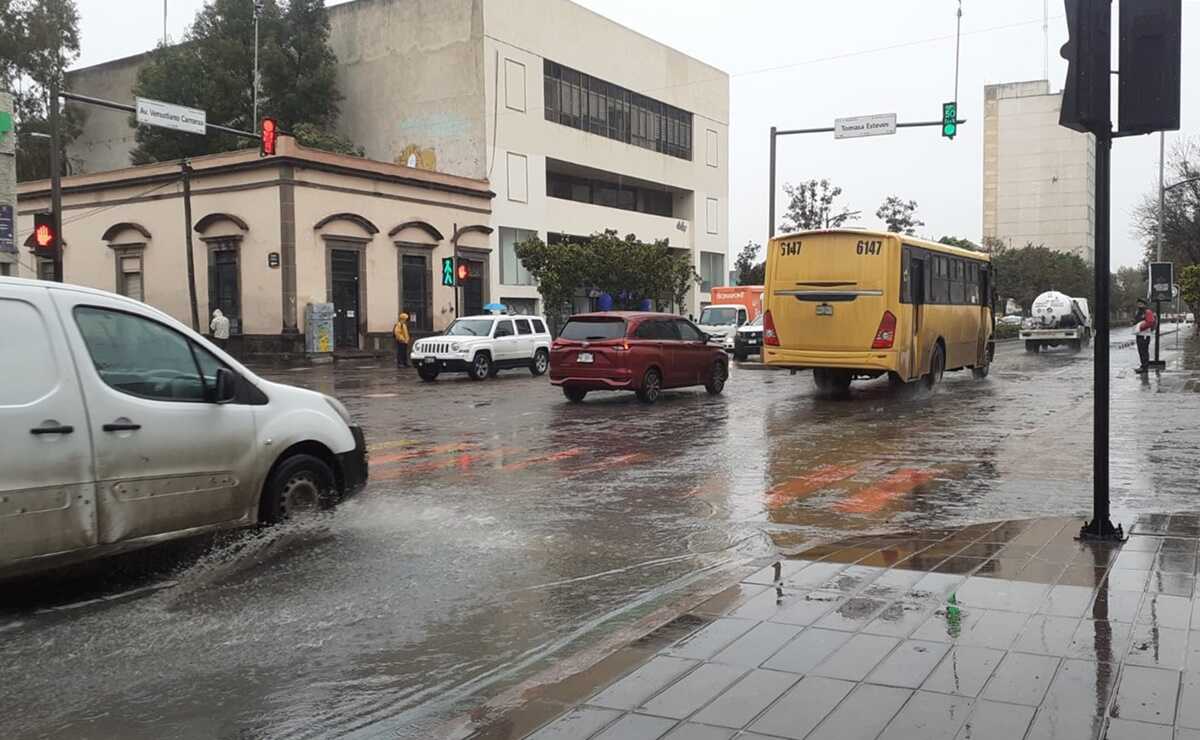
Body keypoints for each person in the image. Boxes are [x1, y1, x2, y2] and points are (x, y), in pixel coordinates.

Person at [1133, 298, 1156, 373]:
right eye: (1138, 304)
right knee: (1141, 351)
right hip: (1139, 334)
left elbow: (1150, 322)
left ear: (1144, 304)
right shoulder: (1138, 312)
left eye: (1141, 304)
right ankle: (1143, 365)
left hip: (1145, 335)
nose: (1139, 305)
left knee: (1144, 351)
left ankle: (1145, 367)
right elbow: (1137, 320)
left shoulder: (1147, 312)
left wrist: (1140, 327)